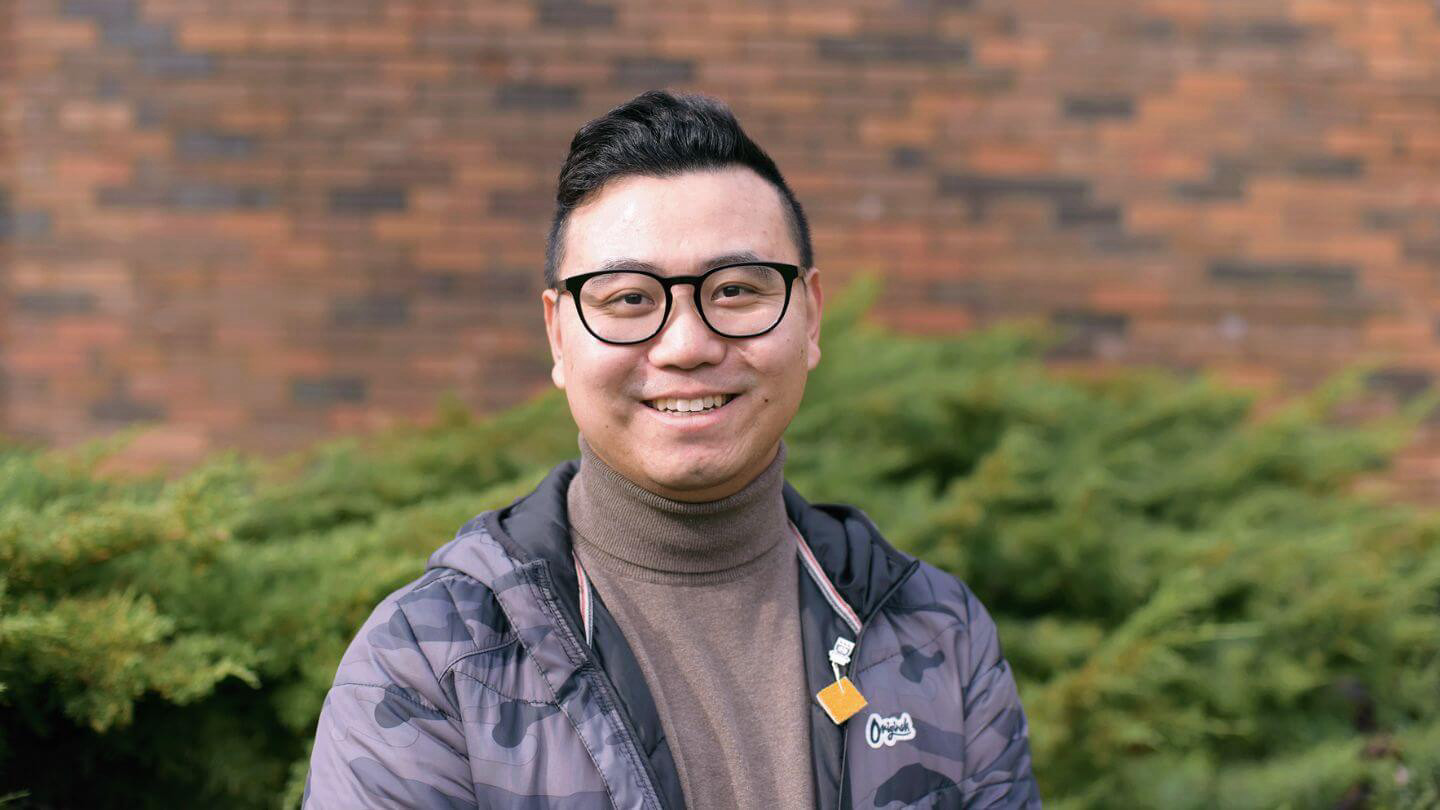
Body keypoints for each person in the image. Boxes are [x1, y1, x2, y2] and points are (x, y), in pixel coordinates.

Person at [303, 90, 1041, 809]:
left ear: (810, 316)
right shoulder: (435, 660)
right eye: (629, 298)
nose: (686, 345)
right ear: (559, 335)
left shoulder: (934, 631)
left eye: (737, 291)